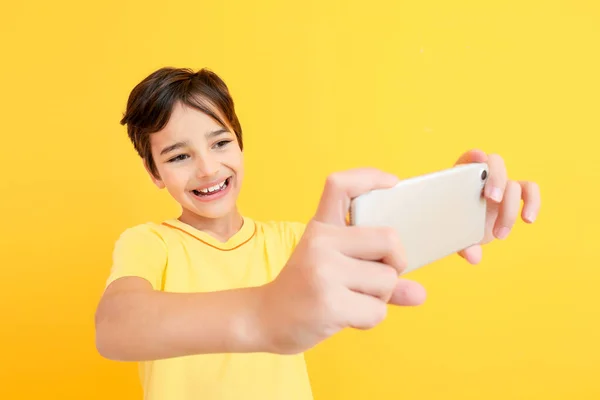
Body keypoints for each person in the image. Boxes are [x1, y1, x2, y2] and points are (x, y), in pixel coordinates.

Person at [94, 67, 541, 400]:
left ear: (241, 143)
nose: (208, 168)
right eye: (178, 156)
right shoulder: (149, 243)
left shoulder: (298, 246)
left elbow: (384, 243)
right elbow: (115, 325)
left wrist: (458, 206)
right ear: (154, 173)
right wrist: (263, 314)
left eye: (220, 143)